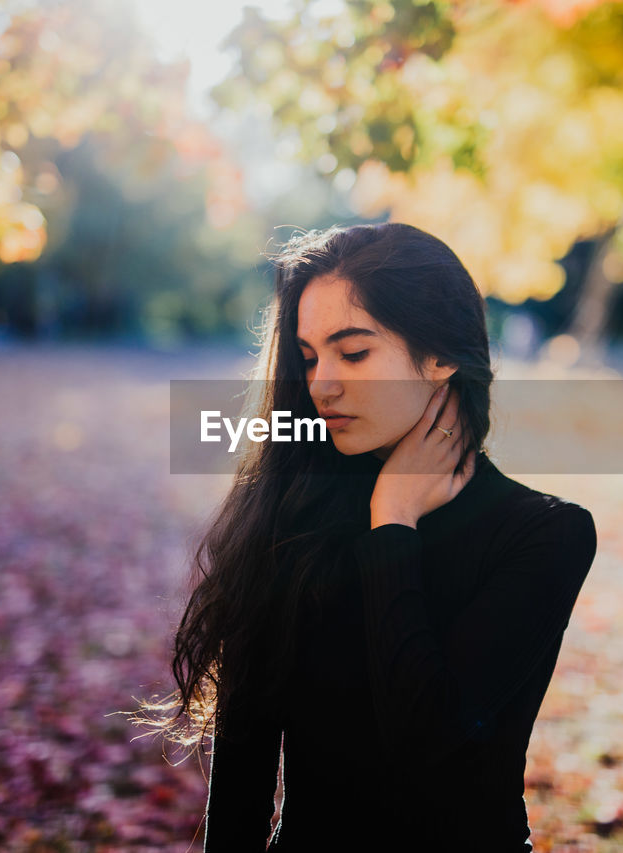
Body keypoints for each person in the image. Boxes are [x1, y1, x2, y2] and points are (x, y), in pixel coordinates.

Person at [140, 222, 598, 852]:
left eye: (353, 353)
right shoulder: (289, 514)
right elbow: (242, 782)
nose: (322, 383)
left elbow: (432, 747)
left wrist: (394, 525)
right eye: (309, 357)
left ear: (441, 356)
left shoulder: (544, 535)